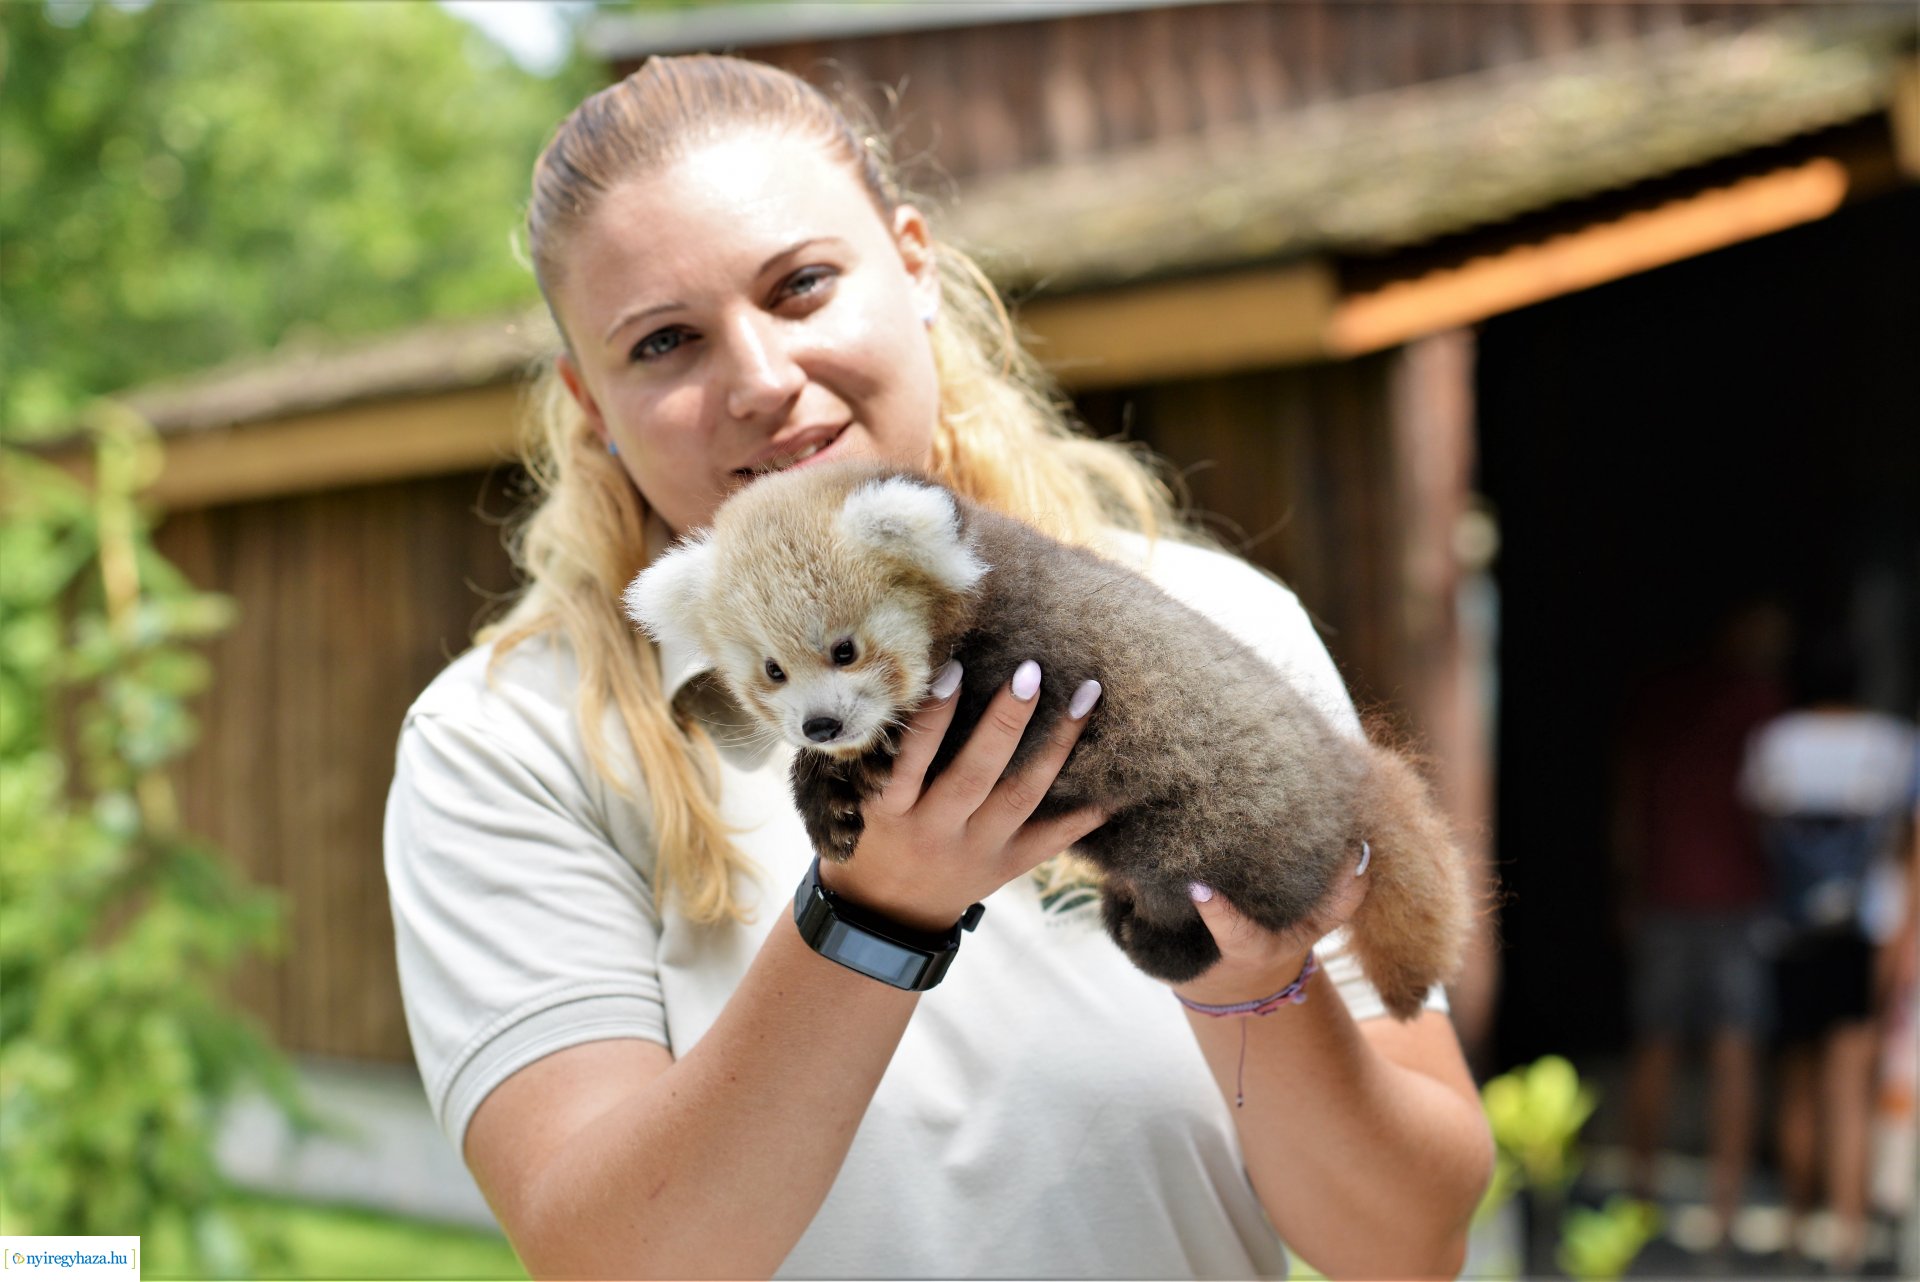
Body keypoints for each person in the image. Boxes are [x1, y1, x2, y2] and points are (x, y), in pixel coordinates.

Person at [383, 55, 1491, 1280]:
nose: (760, 380)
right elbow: (614, 1260)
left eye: (801, 286)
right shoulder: (505, 741)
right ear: (591, 400)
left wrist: (1253, 982)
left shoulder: (1206, 626)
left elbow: (1409, 1245)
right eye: (665, 341)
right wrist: (874, 915)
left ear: (913, 264)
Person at [1612, 602, 1788, 1252]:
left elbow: (1627, 798)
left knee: (1656, 1042)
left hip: (1666, 890)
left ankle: (1640, 1197)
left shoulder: (1661, 699)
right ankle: (1724, 1211)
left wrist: (1628, 882)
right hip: (1736, 893)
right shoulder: (1759, 702)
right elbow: (1770, 799)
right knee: (1732, 1047)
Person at [1741, 636, 1919, 1274]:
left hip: (1790, 929)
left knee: (1797, 1082)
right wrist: (1905, 940)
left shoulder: (1774, 742)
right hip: (1865, 931)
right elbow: (1911, 848)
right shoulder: (1894, 744)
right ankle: (1847, 1236)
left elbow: (1757, 831)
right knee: (1850, 1086)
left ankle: (1795, 1228)